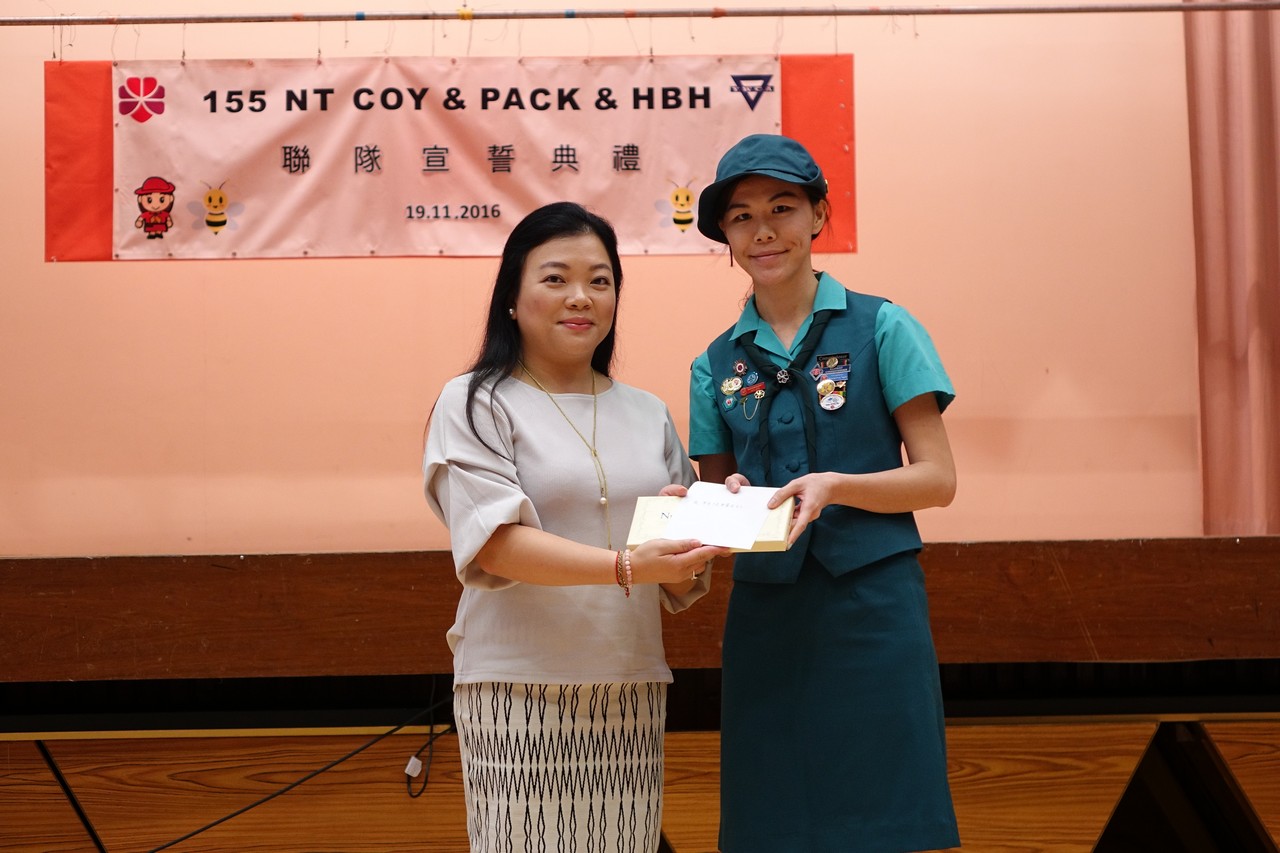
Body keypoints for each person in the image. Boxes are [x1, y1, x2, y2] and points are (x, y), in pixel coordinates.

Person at [423, 201, 726, 853]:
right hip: (517, 685)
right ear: (512, 296)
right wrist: (627, 565)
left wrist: (713, 521)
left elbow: (678, 571)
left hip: (629, 682)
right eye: (556, 278)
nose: (581, 296)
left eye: (600, 279)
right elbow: (496, 545)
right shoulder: (474, 401)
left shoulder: (648, 412)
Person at [687, 134, 962, 852]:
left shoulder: (884, 326)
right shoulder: (712, 364)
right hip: (767, 617)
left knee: (885, 819)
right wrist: (719, 498)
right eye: (741, 217)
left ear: (819, 214)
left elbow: (937, 479)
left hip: (875, 607)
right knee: (772, 819)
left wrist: (837, 487)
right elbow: (719, 500)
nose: (763, 231)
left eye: (782, 208)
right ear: (725, 237)